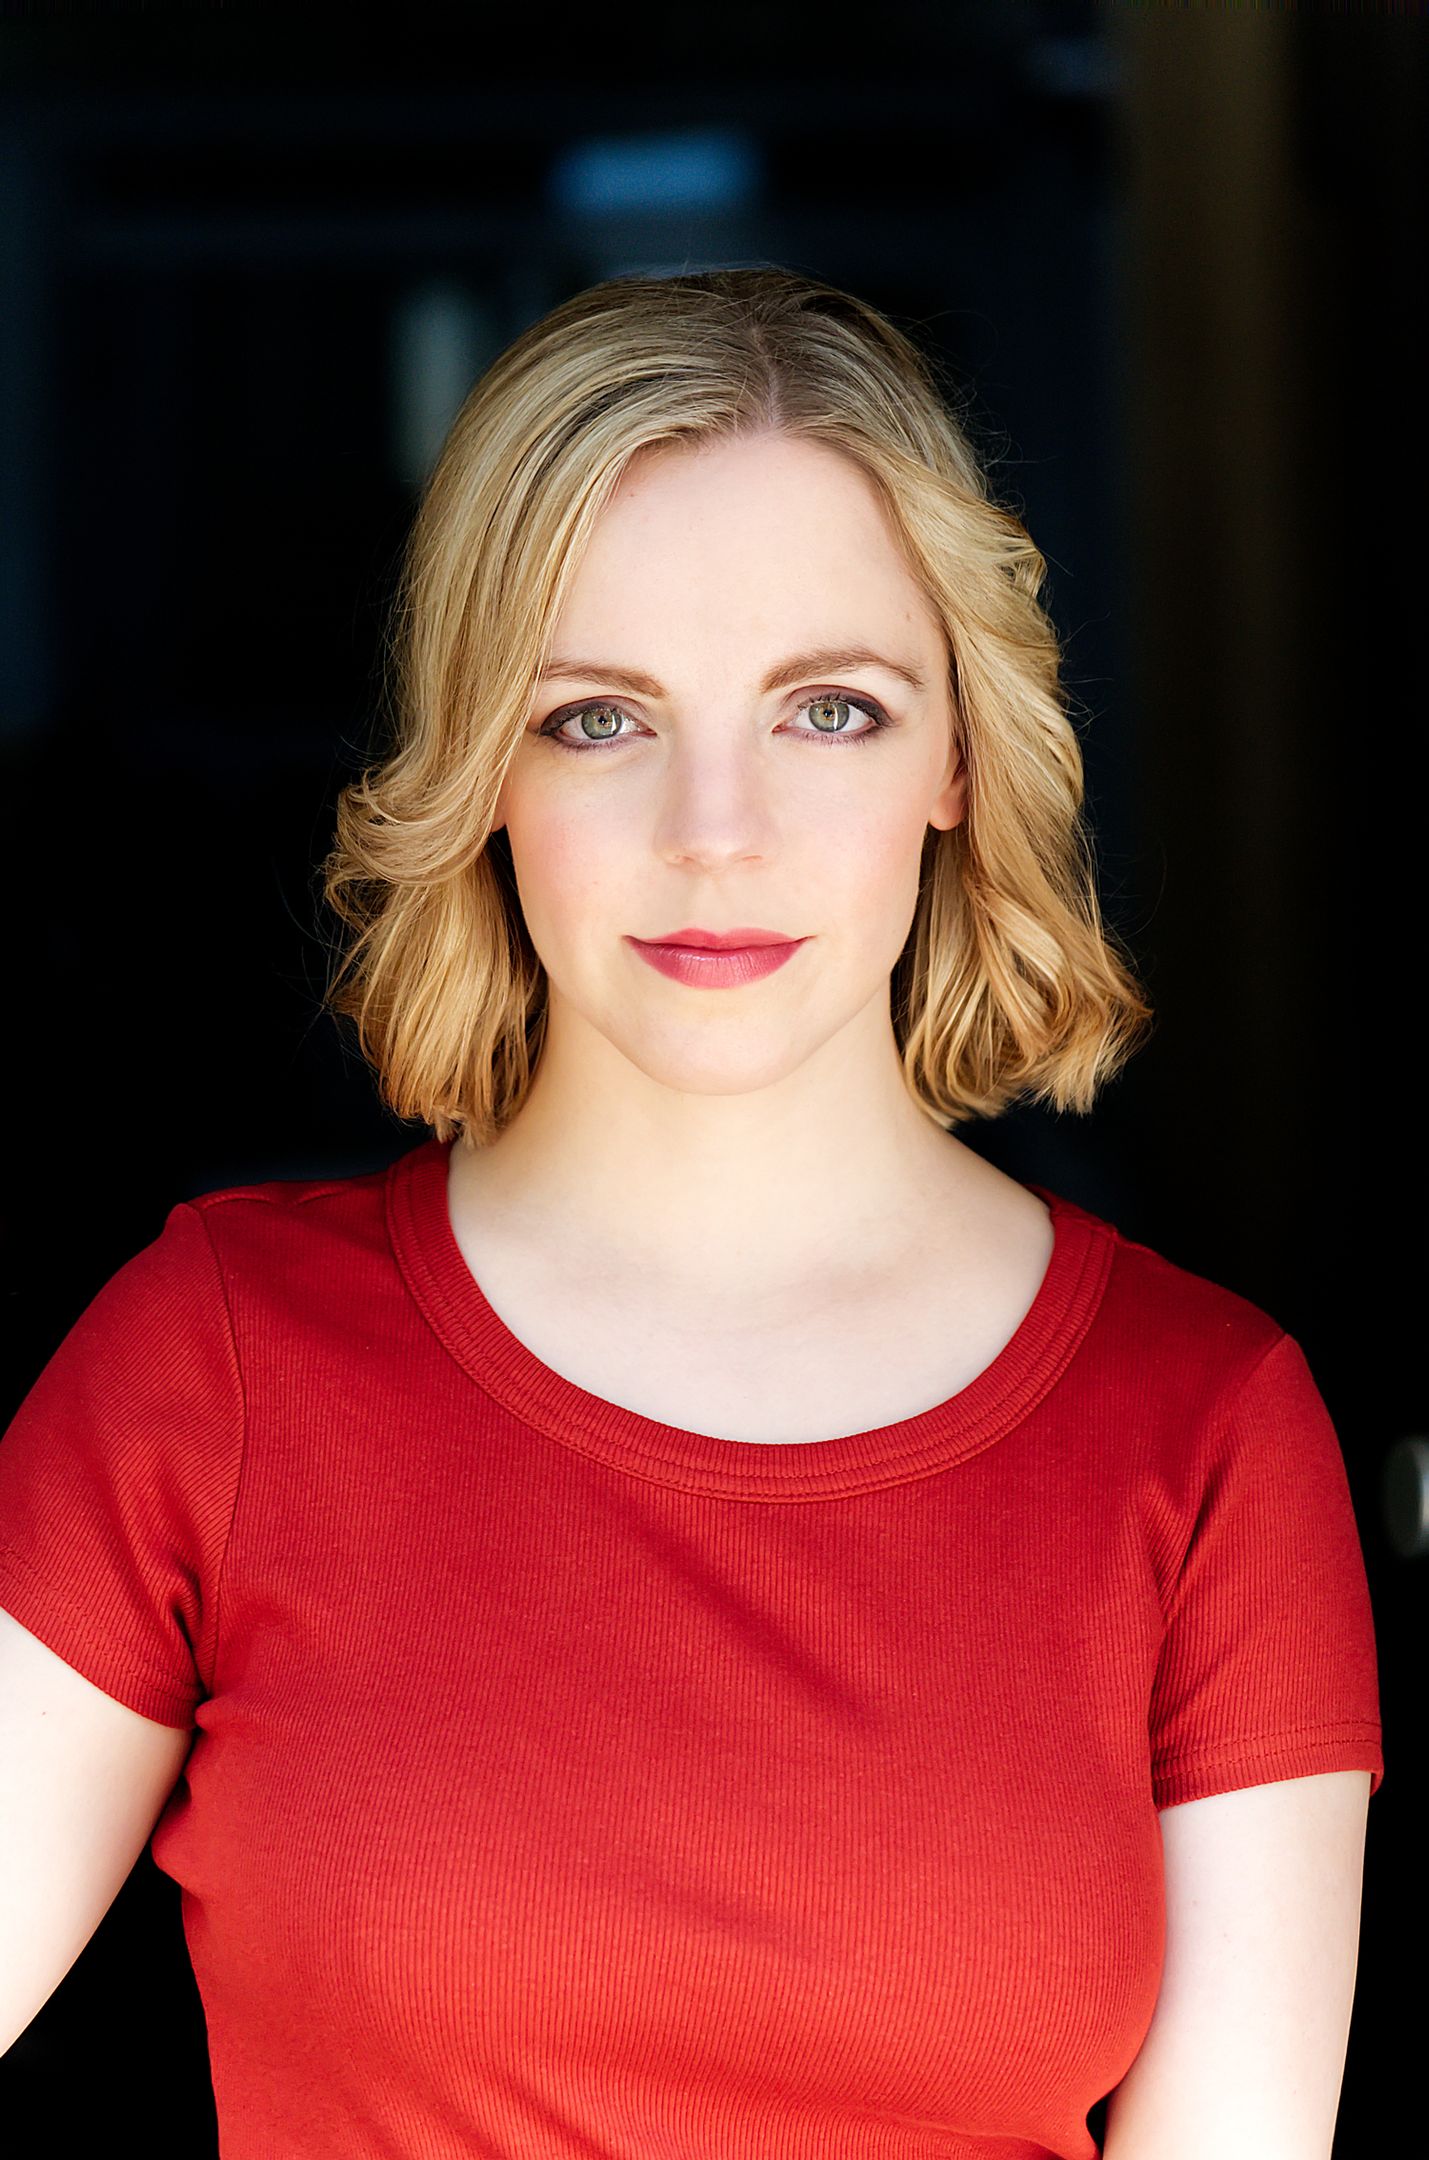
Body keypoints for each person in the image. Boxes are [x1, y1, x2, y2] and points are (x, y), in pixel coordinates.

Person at [0, 268, 1382, 2159]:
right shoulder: (216, 1365)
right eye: (596, 718)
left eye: (830, 709)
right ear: (482, 767)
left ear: (958, 758)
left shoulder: (1207, 1429)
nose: (714, 827)